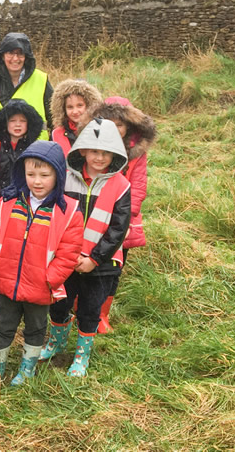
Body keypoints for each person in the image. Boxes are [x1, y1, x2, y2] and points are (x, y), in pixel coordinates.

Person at [0, 140, 83, 393]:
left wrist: (50, 278)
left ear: (58, 175)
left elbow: (69, 253)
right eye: (31, 174)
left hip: (40, 286)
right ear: (21, 173)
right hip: (7, 281)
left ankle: (27, 369)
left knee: (36, 328)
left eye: (44, 175)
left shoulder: (68, 212)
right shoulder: (9, 202)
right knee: (3, 325)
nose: (37, 181)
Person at [39, 118, 131, 377]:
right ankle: (56, 342)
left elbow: (118, 229)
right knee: (59, 302)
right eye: (94, 151)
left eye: (105, 152)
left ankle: (82, 354)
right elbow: (54, 214)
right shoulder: (65, 178)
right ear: (82, 151)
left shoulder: (121, 185)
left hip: (101, 264)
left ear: (115, 154)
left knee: (90, 309)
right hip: (65, 259)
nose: (99, 157)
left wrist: (94, 258)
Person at [86, 97, 156, 333]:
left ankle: (102, 314)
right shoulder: (96, 151)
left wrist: (125, 215)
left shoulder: (137, 153)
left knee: (114, 265)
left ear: (129, 126)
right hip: (94, 216)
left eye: (120, 124)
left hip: (122, 219)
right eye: (109, 123)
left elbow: (138, 186)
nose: (115, 129)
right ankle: (82, 307)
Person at [0, 99, 44, 221]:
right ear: (5, 123)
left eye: (22, 121)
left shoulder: (34, 148)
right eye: (13, 121)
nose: (18, 125)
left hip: (24, 204)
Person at [0, 32, 54, 138]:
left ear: (26, 57)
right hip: (0, 150)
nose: (15, 58)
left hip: (35, 150)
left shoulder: (41, 80)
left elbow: (55, 118)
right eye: (10, 53)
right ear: (2, 56)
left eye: (20, 53)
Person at [49, 79, 103, 156]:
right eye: (70, 107)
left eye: (80, 105)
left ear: (89, 106)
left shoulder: (99, 129)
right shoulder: (56, 134)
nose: (75, 111)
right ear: (63, 109)